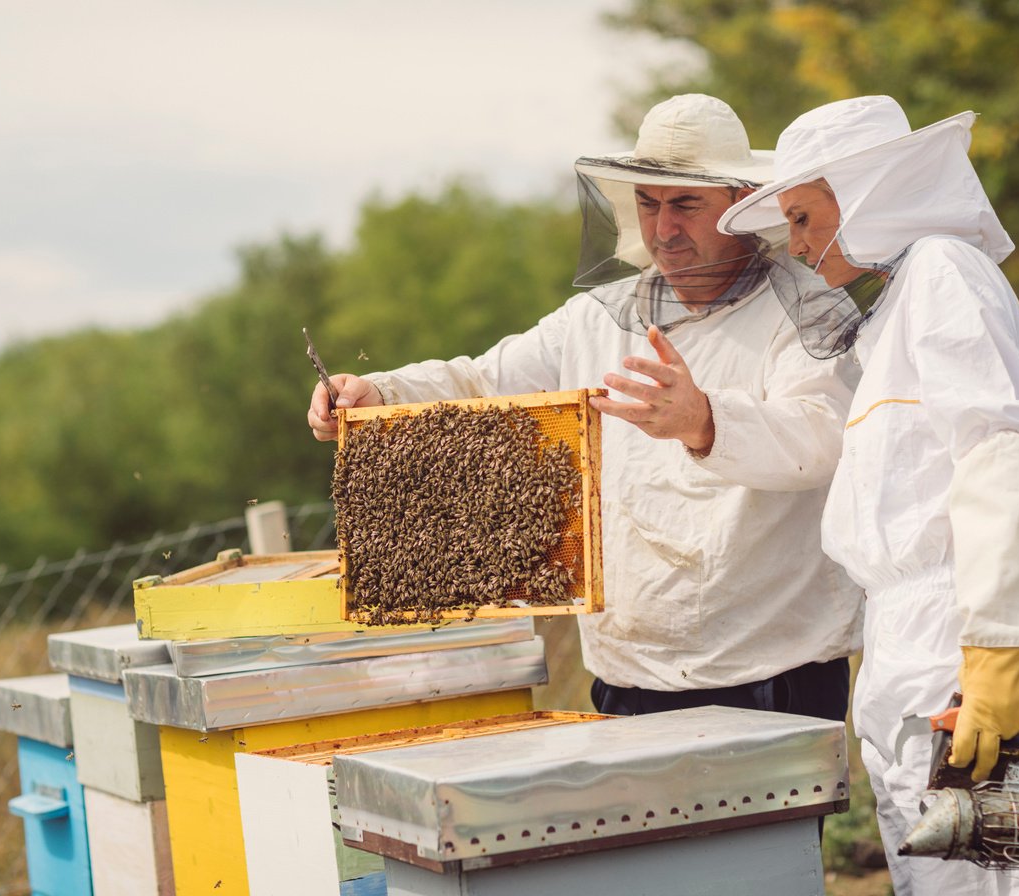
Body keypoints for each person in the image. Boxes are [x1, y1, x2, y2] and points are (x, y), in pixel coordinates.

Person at [308, 94, 864, 725]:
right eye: (648, 204)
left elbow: (823, 441)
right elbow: (485, 380)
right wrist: (379, 393)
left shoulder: (808, 313)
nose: (663, 228)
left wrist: (706, 421)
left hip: (769, 673)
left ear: (740, 204)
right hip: (625, 673)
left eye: (685, 204)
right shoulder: (598, 317)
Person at [717, 95, 1019, 894]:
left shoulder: (949, 274)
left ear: (873, 192)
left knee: (997, 881)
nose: (801, 246)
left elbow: (1002, 452)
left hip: (959, 643)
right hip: (907, 643)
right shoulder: (898, 306)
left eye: (807, 218)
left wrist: (996, 650)